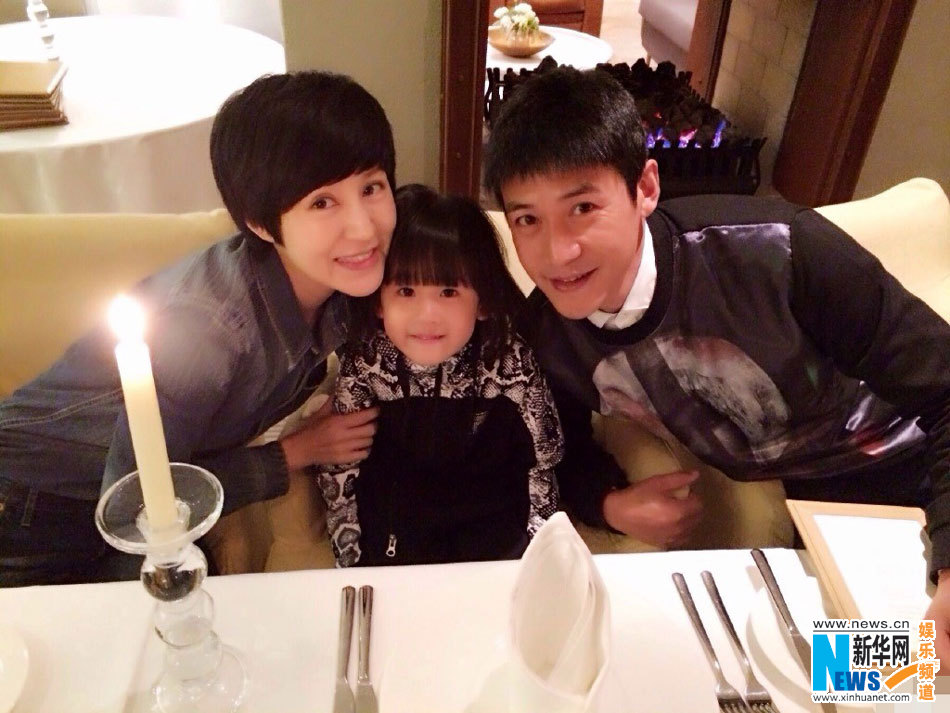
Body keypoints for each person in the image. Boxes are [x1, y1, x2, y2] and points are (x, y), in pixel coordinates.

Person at [482, 66, 950, 658]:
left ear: (644, 188)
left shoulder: (779, 250)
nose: (557, 252)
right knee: (812, 673)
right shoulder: (548, 334)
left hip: (915, 487)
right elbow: (554, 447)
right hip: (803, 528)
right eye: (528, 219)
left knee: (916, 674)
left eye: (583, 207)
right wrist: (608, 502)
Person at [0, 71, 396, 586]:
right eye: (322, 202)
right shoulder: (210, 331)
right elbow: (136, 503)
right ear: (258, 223)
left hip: (116, 501)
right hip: (33, 503)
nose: (364, 227)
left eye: (372, 187)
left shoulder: (341, 281)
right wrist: (297, 452)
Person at [316, 184, 563, 567]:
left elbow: (543, 461)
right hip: (394, 536)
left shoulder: (510, 361)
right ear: (379, 301)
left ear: (483, 301)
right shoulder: (367, 361)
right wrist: (351, 557)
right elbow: (340, 469)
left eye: (448, 292)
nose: (426, 315)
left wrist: (536, 555)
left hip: (492, 535)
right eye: (406, 291)